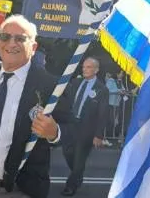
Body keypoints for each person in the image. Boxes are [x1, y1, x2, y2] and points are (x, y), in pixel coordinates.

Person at [0, 14, 72, 198]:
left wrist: (55, 132)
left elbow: (74, 129)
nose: (11, 43)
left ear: (33, 47)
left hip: (18, 189)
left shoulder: (50, 86)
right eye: (5, 37)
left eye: (20, 38)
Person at [61, 57, 109, 196]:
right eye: (83, 67)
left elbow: (103, 114)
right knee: (68, 153)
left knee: (79, 159)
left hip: (87, 129)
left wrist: (98, 135)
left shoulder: (102, 89)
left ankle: (71, 185)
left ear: (96, 70)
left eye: (88, 67)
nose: (84, 69)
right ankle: (78, 175)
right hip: (70, 125)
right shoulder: (76, 83)